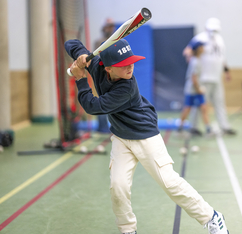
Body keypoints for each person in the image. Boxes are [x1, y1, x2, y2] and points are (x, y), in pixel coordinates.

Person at [64, 39, 229, 234]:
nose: (130, 67)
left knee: (170, 183)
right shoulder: (97, 66)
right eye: (123, 64)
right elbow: (71, 43)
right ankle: (127, 230)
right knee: (118, 187)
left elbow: (93, 106)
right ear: (107, 68)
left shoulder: (126, 87)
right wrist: (81, 56)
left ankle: (212, 217)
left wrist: (80, 79)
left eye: (131, 61)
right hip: (120, 136)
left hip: (145, 135)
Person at [183, 18, 236, 136]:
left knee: (219, 102)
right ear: (206, 28)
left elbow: (222, 57)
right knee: (199, 104)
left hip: (217, 77)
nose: (213, 32)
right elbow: (187, 51)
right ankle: (194, 127)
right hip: (203, 79)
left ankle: (225, 126)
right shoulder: (199, 39)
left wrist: (226, 71)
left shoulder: (220, 40)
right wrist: (190, 56)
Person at [178, 41, 212, 135]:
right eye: (202, 47)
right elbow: (193, 78)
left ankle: (208, 129)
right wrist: (199, 89)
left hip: (196, 90)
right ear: (198, 49)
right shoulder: (195, 61)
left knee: (204, 108)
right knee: (187, 108)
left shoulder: (197, 60)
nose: (203, 48)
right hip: (192, 90)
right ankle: (180, 128)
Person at [94, 18, 116, 133]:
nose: (110, 28)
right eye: (109, 26)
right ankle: (102, 128)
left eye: (112, 26)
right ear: (104, 28)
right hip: (102, 76)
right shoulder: (99, 42)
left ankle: (116, 126)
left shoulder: (116, 40)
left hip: (114, 76)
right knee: (102, 102)